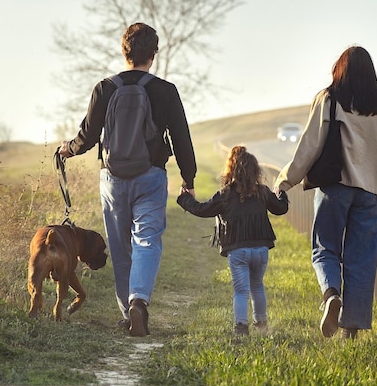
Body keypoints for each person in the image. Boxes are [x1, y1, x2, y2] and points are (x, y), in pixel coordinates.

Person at [58, 22, 197, 337]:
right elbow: (181, 138)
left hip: (113, 178)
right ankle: (139, 301)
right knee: (147, 240)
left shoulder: (105, 88)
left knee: (121, 248)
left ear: (125, 51)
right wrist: (188, 178)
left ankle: (126, 313)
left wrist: (69, 149)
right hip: (151, 176)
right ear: (154, 54)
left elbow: (89, 136)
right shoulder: (165, 90)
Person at [274, 46, 377, 340]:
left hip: (335, 188)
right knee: (362, 260)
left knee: (325, 249)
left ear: (340, 69)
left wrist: (286, 181)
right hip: (370, 195)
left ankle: (331, 294)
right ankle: (352, 331)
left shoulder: (329, 98)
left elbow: (310, 145)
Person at [177, 146, 289, 336]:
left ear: (231, 169)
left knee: (241, 291)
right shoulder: (262, 192)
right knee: (257, 286)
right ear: (255, 170)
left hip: (238, 250)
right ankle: (261, 325)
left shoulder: (225, 195)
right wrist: (281, 193)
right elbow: (280, 208)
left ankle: (240, 328)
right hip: (261, 249)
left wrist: (185, 197)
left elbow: (202, 209)